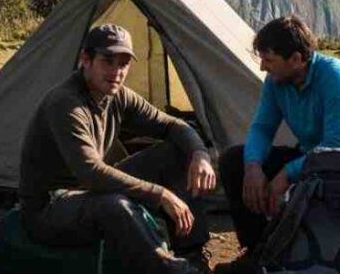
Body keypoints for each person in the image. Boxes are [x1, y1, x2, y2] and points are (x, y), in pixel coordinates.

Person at [18, 24, 218, 274]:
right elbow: (90, 172)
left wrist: (199, 154)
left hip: (87, 193)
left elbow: (172, 125)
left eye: (123, 64)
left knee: (176, 153)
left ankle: (192, 255)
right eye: (108, 61)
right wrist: (161, 194)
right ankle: (171, 270)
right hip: (50, 206)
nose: (116, 72)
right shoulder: (65, 103)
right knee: (115, 205)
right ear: (85, 60)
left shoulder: (119, 95)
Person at [218, 15, 340, 250]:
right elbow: (263, 127)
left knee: (311, 185)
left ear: (296, 59)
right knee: (232, 161)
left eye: (269, 60)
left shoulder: (335, 77)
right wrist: (253, 167)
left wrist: (287, 174)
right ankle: (257, 250)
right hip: (312, 159)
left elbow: (338, 145)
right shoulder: (276, 81)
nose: (262, 67)